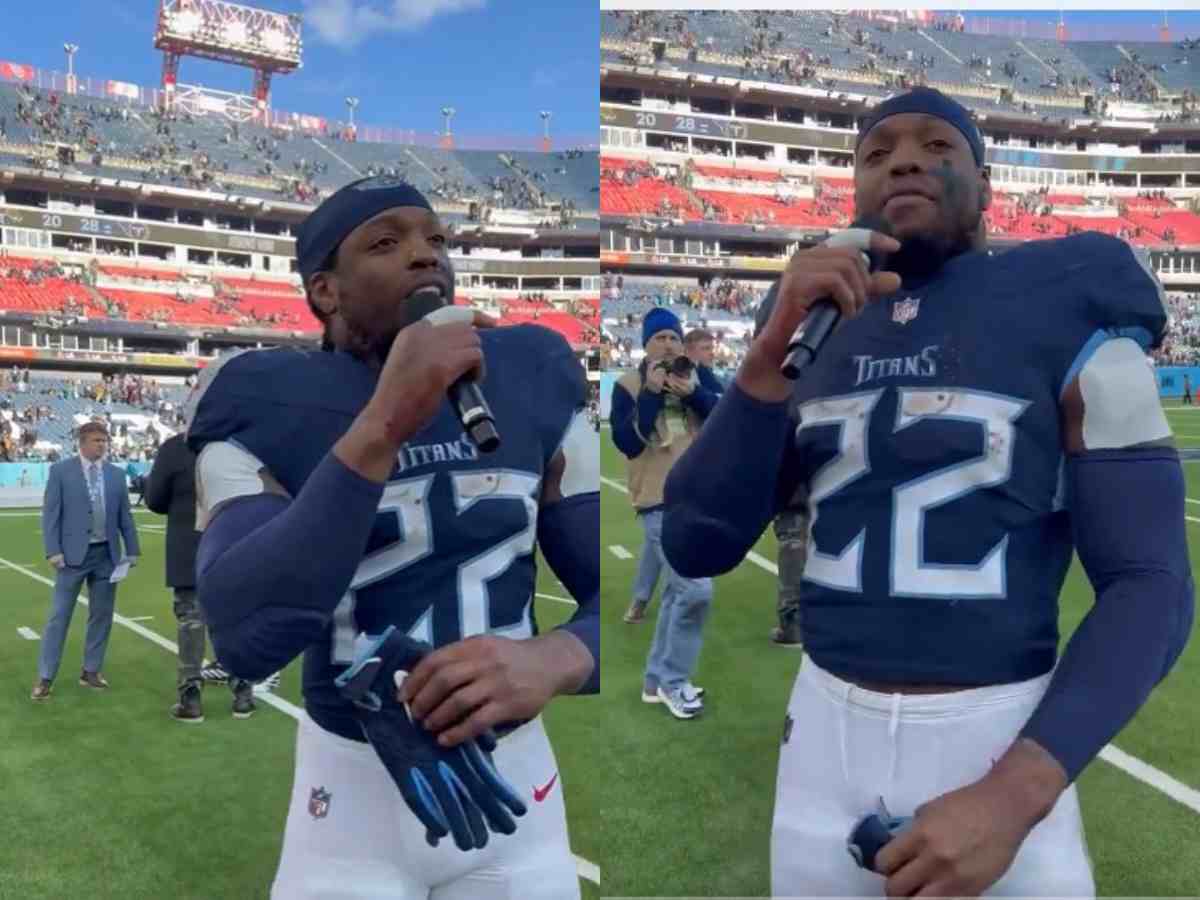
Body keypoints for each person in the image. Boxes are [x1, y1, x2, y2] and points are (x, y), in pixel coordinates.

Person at [662, 87, 1193, 896]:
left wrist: (1016, 794)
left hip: (996, 734)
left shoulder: (1067, 295)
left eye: (936, 146)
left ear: (986, 186)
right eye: (876, 153)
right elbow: (696, 540)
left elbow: (1151, 583)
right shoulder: (814, 317)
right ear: (855, 190)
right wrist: (768, 352)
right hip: (822, 742)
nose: (902, 159)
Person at [185, 176, 598, 899]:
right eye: (387, 241)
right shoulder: (265, 397)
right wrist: (381, 426)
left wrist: (562, 655)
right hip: (347, 801)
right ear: (325, 291)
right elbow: (246, 637)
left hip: (518, 786)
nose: (425, 256)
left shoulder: (530, 371)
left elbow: (612, 592)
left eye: (436, 240)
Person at [610, 307, 719, 719]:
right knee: (696, 590)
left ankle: (657, 681)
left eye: (674, 337)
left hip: (696, 497)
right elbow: (627, 442)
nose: (669, 345)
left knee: (677, 593)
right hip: (657, 501)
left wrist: (694, 393)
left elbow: (724, 420)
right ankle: (674, 682)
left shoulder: (694, 377)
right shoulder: (627, 385)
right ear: (645, 344)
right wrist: (652, 394)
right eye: (660, 338)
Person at [144, 430, 255, 723]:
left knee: (190, 621)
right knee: (234, 619)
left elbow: (154, 499)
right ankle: (242, 691)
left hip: (188, 547)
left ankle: (190, 695)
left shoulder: (174, 447)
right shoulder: (240, 444)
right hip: (232, 543)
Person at [33, 422, 140, 700]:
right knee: (59, 617)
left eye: (105, 440)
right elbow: (50, 515)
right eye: (96, 440)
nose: (102, 445)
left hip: (108, 555)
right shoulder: (61, 471)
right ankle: (45, 677)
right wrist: (52, 550)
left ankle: (91, 671)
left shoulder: (115, 475)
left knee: (101, 616)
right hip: (71, 557)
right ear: (81, 443)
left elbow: (126, 517)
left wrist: (132, 550)